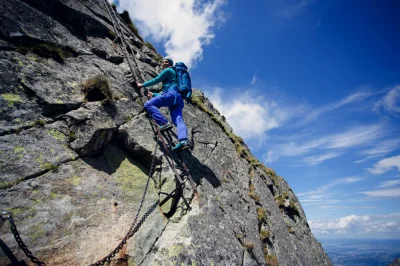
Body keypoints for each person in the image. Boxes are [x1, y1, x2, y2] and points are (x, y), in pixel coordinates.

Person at [137, 57, 189, 151]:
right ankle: (183, 141)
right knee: (178, 120)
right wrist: (154, 94)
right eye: (162, 62)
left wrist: (142, 85)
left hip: (171, 95)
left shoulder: (168, 70)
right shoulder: (175, 76)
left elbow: (156, 80)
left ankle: (163, 123)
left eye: (166, 62)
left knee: (148, 105)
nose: (163, 63)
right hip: (178, 99)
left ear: (170, 64)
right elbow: (167, 93)